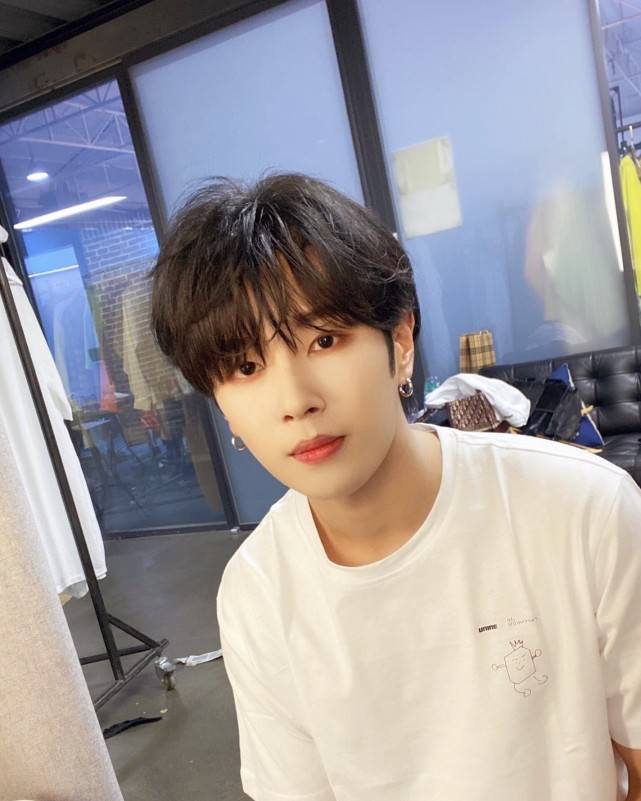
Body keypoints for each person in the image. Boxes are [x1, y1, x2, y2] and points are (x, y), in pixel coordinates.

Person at [151, 173, 641, 801]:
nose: (295, 400)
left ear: (401, 340)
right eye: (246, 366)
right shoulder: (258, 592)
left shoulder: (583, 510)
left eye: (324, 340)